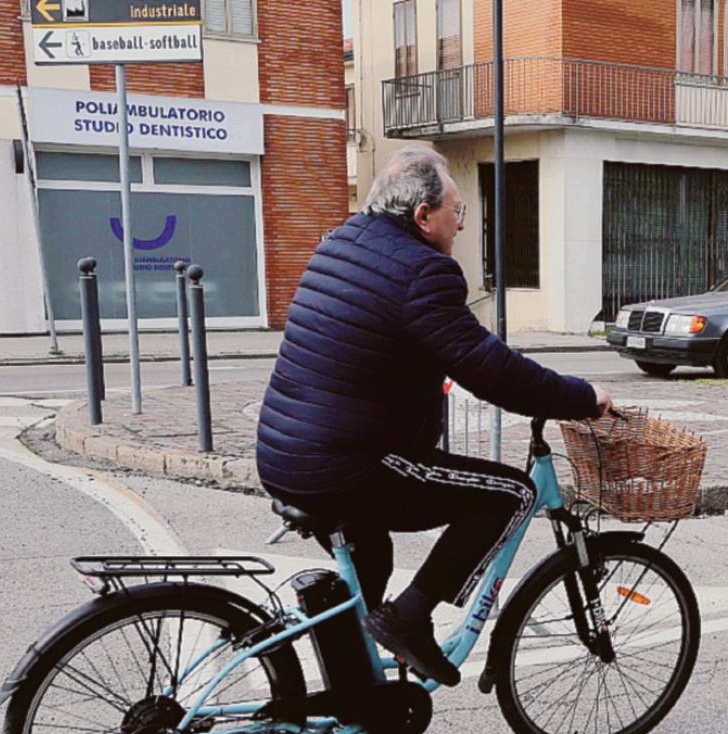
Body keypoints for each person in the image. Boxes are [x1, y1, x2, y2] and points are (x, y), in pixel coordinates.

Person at [257, 146, 613, 687]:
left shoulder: (341, 243)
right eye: (456, 210)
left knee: (370, 551)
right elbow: (491, 370)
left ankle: (354, 691)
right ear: (422, 216)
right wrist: (580, 397)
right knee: (510, 494)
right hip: (347, 463)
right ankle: (409, 619)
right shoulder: (423, 272)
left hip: (285, 453)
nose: (461, 224)